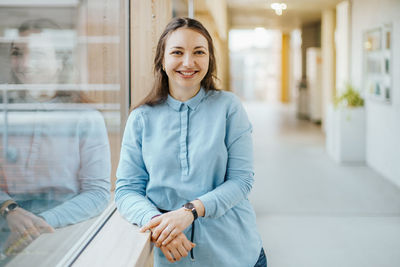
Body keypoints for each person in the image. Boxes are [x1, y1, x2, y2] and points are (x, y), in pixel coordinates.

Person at [115, 17, 267, 266]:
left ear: (210, 59)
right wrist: (157, 223)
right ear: (162, 60)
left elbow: (241, 181)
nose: (188, 62)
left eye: (199, 52)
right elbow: (126, 190)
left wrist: (190, 212)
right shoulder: (141, 118)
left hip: (236, 254)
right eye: (177, 52)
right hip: (174, 257)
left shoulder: (229, 108)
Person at [0, 19, 111, 258]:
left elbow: (97, 193)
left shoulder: (86, 117)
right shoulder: (4, 113)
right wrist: (9, 210)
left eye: (38, 54)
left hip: (64, 234)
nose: (26, 63)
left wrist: (38, 223)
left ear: (61, 61)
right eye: (18, 53)